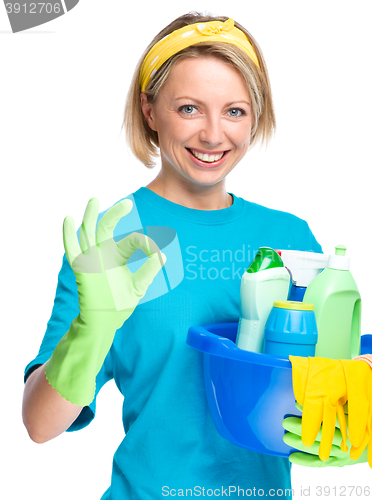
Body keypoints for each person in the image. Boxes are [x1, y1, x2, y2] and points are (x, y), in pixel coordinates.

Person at [23, 12, 327, 499]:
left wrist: (347, 417)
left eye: (235, 111)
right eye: (188, 109)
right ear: (149, 111)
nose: (212, 135)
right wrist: (90, 331)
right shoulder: (117, 238)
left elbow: (323, 388)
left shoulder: (289, 239)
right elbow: (39, 424)